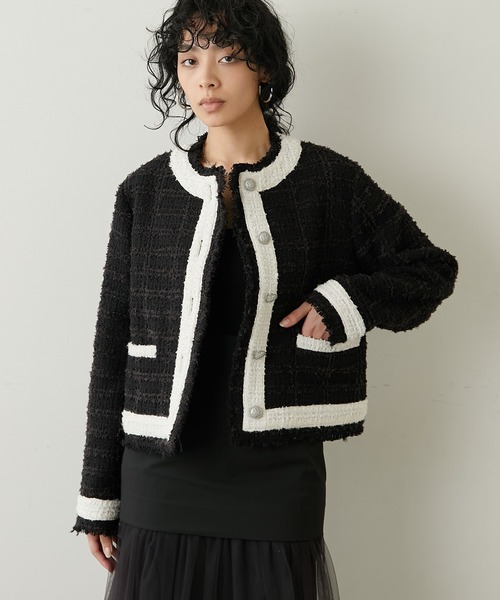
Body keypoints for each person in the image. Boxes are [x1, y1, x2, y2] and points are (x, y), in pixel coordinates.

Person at [72, 0, 458, 598]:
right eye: (189, 60)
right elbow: (111, 343)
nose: (206, 78)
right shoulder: (145, 192)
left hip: (277, 463)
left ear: (265, 69)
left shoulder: (330, 181)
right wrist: (98, 494)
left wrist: (344, 303)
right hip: (161, 463)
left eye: (227, 57)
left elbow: (429, 268)